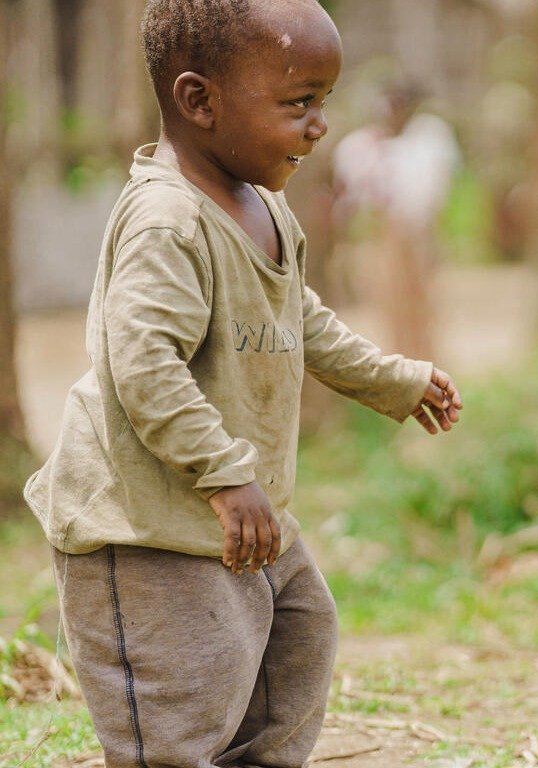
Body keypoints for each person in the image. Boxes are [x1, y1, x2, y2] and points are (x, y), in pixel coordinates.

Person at [23, 2, 464, 765]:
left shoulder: (265, 205)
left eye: (323, 101)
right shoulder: (169, 223)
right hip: (146, 529)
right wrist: (226, 476)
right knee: (182, 705)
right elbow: (143, 364)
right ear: (200, 101)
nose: (320, 125)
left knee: (299, 640)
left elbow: (304, 322)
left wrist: (396, 381)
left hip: (241, 517)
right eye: (299, 103)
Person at [332, 78, 461, 361]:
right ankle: (401, 356)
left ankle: (427, 357)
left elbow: (436, 187)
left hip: (420, 229)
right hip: (384, 230)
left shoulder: (428, 138)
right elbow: (354, 196)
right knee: (391, 301)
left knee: (423, 299)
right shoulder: (363, 147)